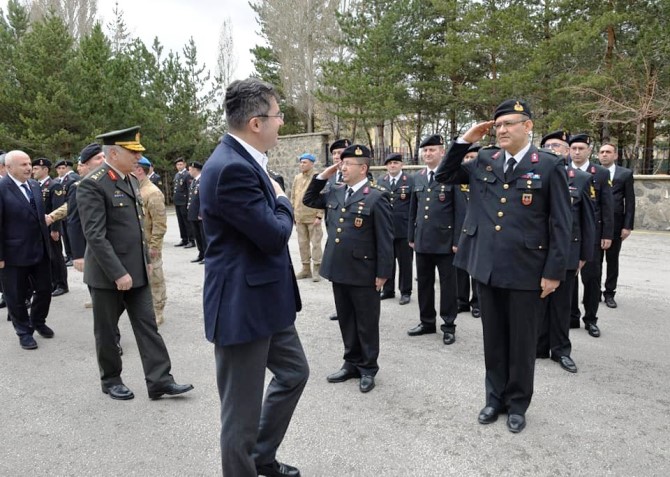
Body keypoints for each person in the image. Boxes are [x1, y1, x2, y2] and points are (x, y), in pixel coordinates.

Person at [435, 99, 572, 433]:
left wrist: (554, 272)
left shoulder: (549, 165)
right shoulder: (485, 158)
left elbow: (561, 223)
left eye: (510, 123)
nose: (502, 130)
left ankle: (517, 403)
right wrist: (466, 139)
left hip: (527, 268)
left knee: (522, 341)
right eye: (498, 125)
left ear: (528, 127)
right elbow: (445, 174)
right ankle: (494, 398)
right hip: (488, 266)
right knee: (493, 338)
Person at [199, 78, 309, 477]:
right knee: (240, 416)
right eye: (278, 116)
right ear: (256, 122)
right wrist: (282, 200)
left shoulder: (245, 160)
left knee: (294, 372)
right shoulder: (230, 168)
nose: (282, 123)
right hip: (242, 307)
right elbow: (273, 236)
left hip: (266, 302)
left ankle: (261, 458)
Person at [77, 126, 193, 401]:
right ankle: (111, 379)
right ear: (114, 153)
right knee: (106, 331)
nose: (138, 158)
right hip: (108, 275)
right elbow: (95, 235)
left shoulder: (129, 179)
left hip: (137, 271)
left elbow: (136, 227)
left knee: (147, 325)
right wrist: (118, 273)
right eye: (133, 152)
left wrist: (145, 262)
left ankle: (160, 381)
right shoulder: (93, 184)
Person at [303, 143, 393, 393]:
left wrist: (383, 272)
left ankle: (368, 367)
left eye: (347, 164)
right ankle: (351, 362)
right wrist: (324, 175)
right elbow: (309, 199)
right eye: (341, 164)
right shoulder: (336, 191)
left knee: (366, 321)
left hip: (364, 271)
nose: (342, 168)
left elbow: (385, 239)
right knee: (346, 319)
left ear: (363, 168)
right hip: (339, 268)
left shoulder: (376, 196)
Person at [536, 131, 596, 373]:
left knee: (561, 304)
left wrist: (583, 255)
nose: (554, 149)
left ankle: (560, 350)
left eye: (559, 145)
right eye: (548, 145)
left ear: (567, 150)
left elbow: (588, 221)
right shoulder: (532, 176)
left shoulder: (580, 179)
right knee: (537, 302)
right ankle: (538, 347)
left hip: (568, 251)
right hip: (536, 250)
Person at [0, 150, 54, 350]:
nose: (29, 168)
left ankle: (38, 321)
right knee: (15, 295)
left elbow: (38, 217)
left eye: (29, 163)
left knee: (44, 290)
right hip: (13, 254)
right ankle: (24, 331)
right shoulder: (2, 188)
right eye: (23, 165)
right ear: (8, 167)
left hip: (39, 250)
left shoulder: (34, 185)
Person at [408, 135, 459, 345]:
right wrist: (411, 236)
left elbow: (460, 211)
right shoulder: (418, 177)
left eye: (432, 150)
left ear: (442, 152)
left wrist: (457, 241)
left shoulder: (452, 176)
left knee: (448, 286)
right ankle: (427, 321)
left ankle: (448, 325)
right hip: (422, 241)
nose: (427, 154)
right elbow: (414, 210)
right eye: (425, 150)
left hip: (446, 243)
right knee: (425, 284)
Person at [568, 134, 614, 337]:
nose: (577, 152)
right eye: (574, 148)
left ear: (589, 150)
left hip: (592, 235)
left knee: (592, 278)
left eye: (581, 148)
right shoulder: (562, 170)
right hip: (569, 235)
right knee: (569, 278)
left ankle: (591, 319)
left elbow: (607, 206)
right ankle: (571, 316)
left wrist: (607, 234)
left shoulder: (601, 173)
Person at [597, 143, 635, 308]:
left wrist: (627, 226)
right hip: (596, 224)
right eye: (602, 152)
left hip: (616, 225)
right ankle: (594, 292)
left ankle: (610, 293)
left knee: (612, 261)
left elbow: (630, 202)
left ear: (615, 155)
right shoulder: (593, 172)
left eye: (608, 152)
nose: (604, 155)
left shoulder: (625, 174)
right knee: (594, 262)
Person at [134, 156, 168, 325]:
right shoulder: (134, 188)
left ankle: (158, 310)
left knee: (155, 278)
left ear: (139, 169)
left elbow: (160, 223)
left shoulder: (152, 192)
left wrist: (154, 246)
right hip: (136, 244)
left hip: (150, 244)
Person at [376, 152, 414, 304]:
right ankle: (388, 289)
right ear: (386, 166)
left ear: (401, 165)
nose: (392, 165)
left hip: (403, 228)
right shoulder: (381, 180)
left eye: (396, 163)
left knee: (405, 263)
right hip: (385, 229)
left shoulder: (410, 180)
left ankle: (405, 291)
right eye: (390, 163)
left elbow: (413, 206)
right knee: (387, 260)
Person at [32, 158, 69, 297]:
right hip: (41, 228)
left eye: (36, 169)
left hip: (50, 227)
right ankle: (53, 282)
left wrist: (55, 229)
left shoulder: (54, 185)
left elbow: (58, 208)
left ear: (45, 170)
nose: (33, 171)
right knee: (47, 257)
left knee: (56, 256)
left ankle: (61, 284)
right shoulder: (36, 185)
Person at [323, 139, 350, 321]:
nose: (337, 156)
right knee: (337, 273)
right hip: (333, 231)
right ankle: (341, 308)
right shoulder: (331, 177)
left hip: (351, 234)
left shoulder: (360, 175)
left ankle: (352, 309)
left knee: (351, 274)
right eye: (334, 153)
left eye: (341, 152)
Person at [454, 144, 480, 318]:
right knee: (460, 269)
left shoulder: (484, 178)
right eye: (467, 157)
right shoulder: (458, 181)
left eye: (473, 157)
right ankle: (461, 301)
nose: (469, 160)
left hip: (480, 231)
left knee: (477, 270)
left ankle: (477, 303)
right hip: (462, 231)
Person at [291, 152, 324, 281]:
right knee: (302, 244)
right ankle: (306, 269)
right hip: (300, 217)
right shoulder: (297, 177)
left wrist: (319, 216)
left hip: (313, 217)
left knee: (316, 244)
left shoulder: (317, 178)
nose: (301, 164)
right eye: (301, 162)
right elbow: (293, 196)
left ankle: (316, 269)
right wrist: (293, 213)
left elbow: (321, 197)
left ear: (311, 163)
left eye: (304, 162)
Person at [54, 159, 80, 266]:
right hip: (62, 212)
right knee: (64, 235)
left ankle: (73, 256)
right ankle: (68, 255)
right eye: (59, 168)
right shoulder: (58, 181)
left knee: (70, 234)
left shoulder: (71, 180)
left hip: (69, 211)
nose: (60, 170)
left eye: (63, 168)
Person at [172, 157, 194, 248]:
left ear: (185, 165)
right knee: (180, 221)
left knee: (187, 221)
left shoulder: (187, 175)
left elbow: (189, 189)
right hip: (178, 201)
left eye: (181, 164)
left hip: (184, 202)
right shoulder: (177, 175)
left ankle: (191, 240)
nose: (179, 166)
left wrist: (189, 202)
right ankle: (184, 239)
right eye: (177, 164)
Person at [186, 161, 205, 263]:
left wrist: (201, 212)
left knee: (203, 236)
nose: (189, 171)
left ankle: (206, 255)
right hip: (193, 213)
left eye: (190, 169)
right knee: (197, 235)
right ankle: (201, 253)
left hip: (200, 214)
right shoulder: (194, 181)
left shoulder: (203, 180)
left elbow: (204, 198)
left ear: (194, 169)